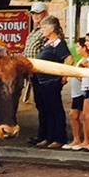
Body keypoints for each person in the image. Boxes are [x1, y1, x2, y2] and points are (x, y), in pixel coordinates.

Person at [29, 17, 71, 149]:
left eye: (43, 27)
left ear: (52, 29)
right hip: (41, 80)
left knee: (55, 109)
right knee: (45, 109)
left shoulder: (59, 43)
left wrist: (63, 76)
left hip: (51, 80)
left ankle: (59, 137)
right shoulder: (47, 43)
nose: (41, 30)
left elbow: (69, 59)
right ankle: (47, 136)